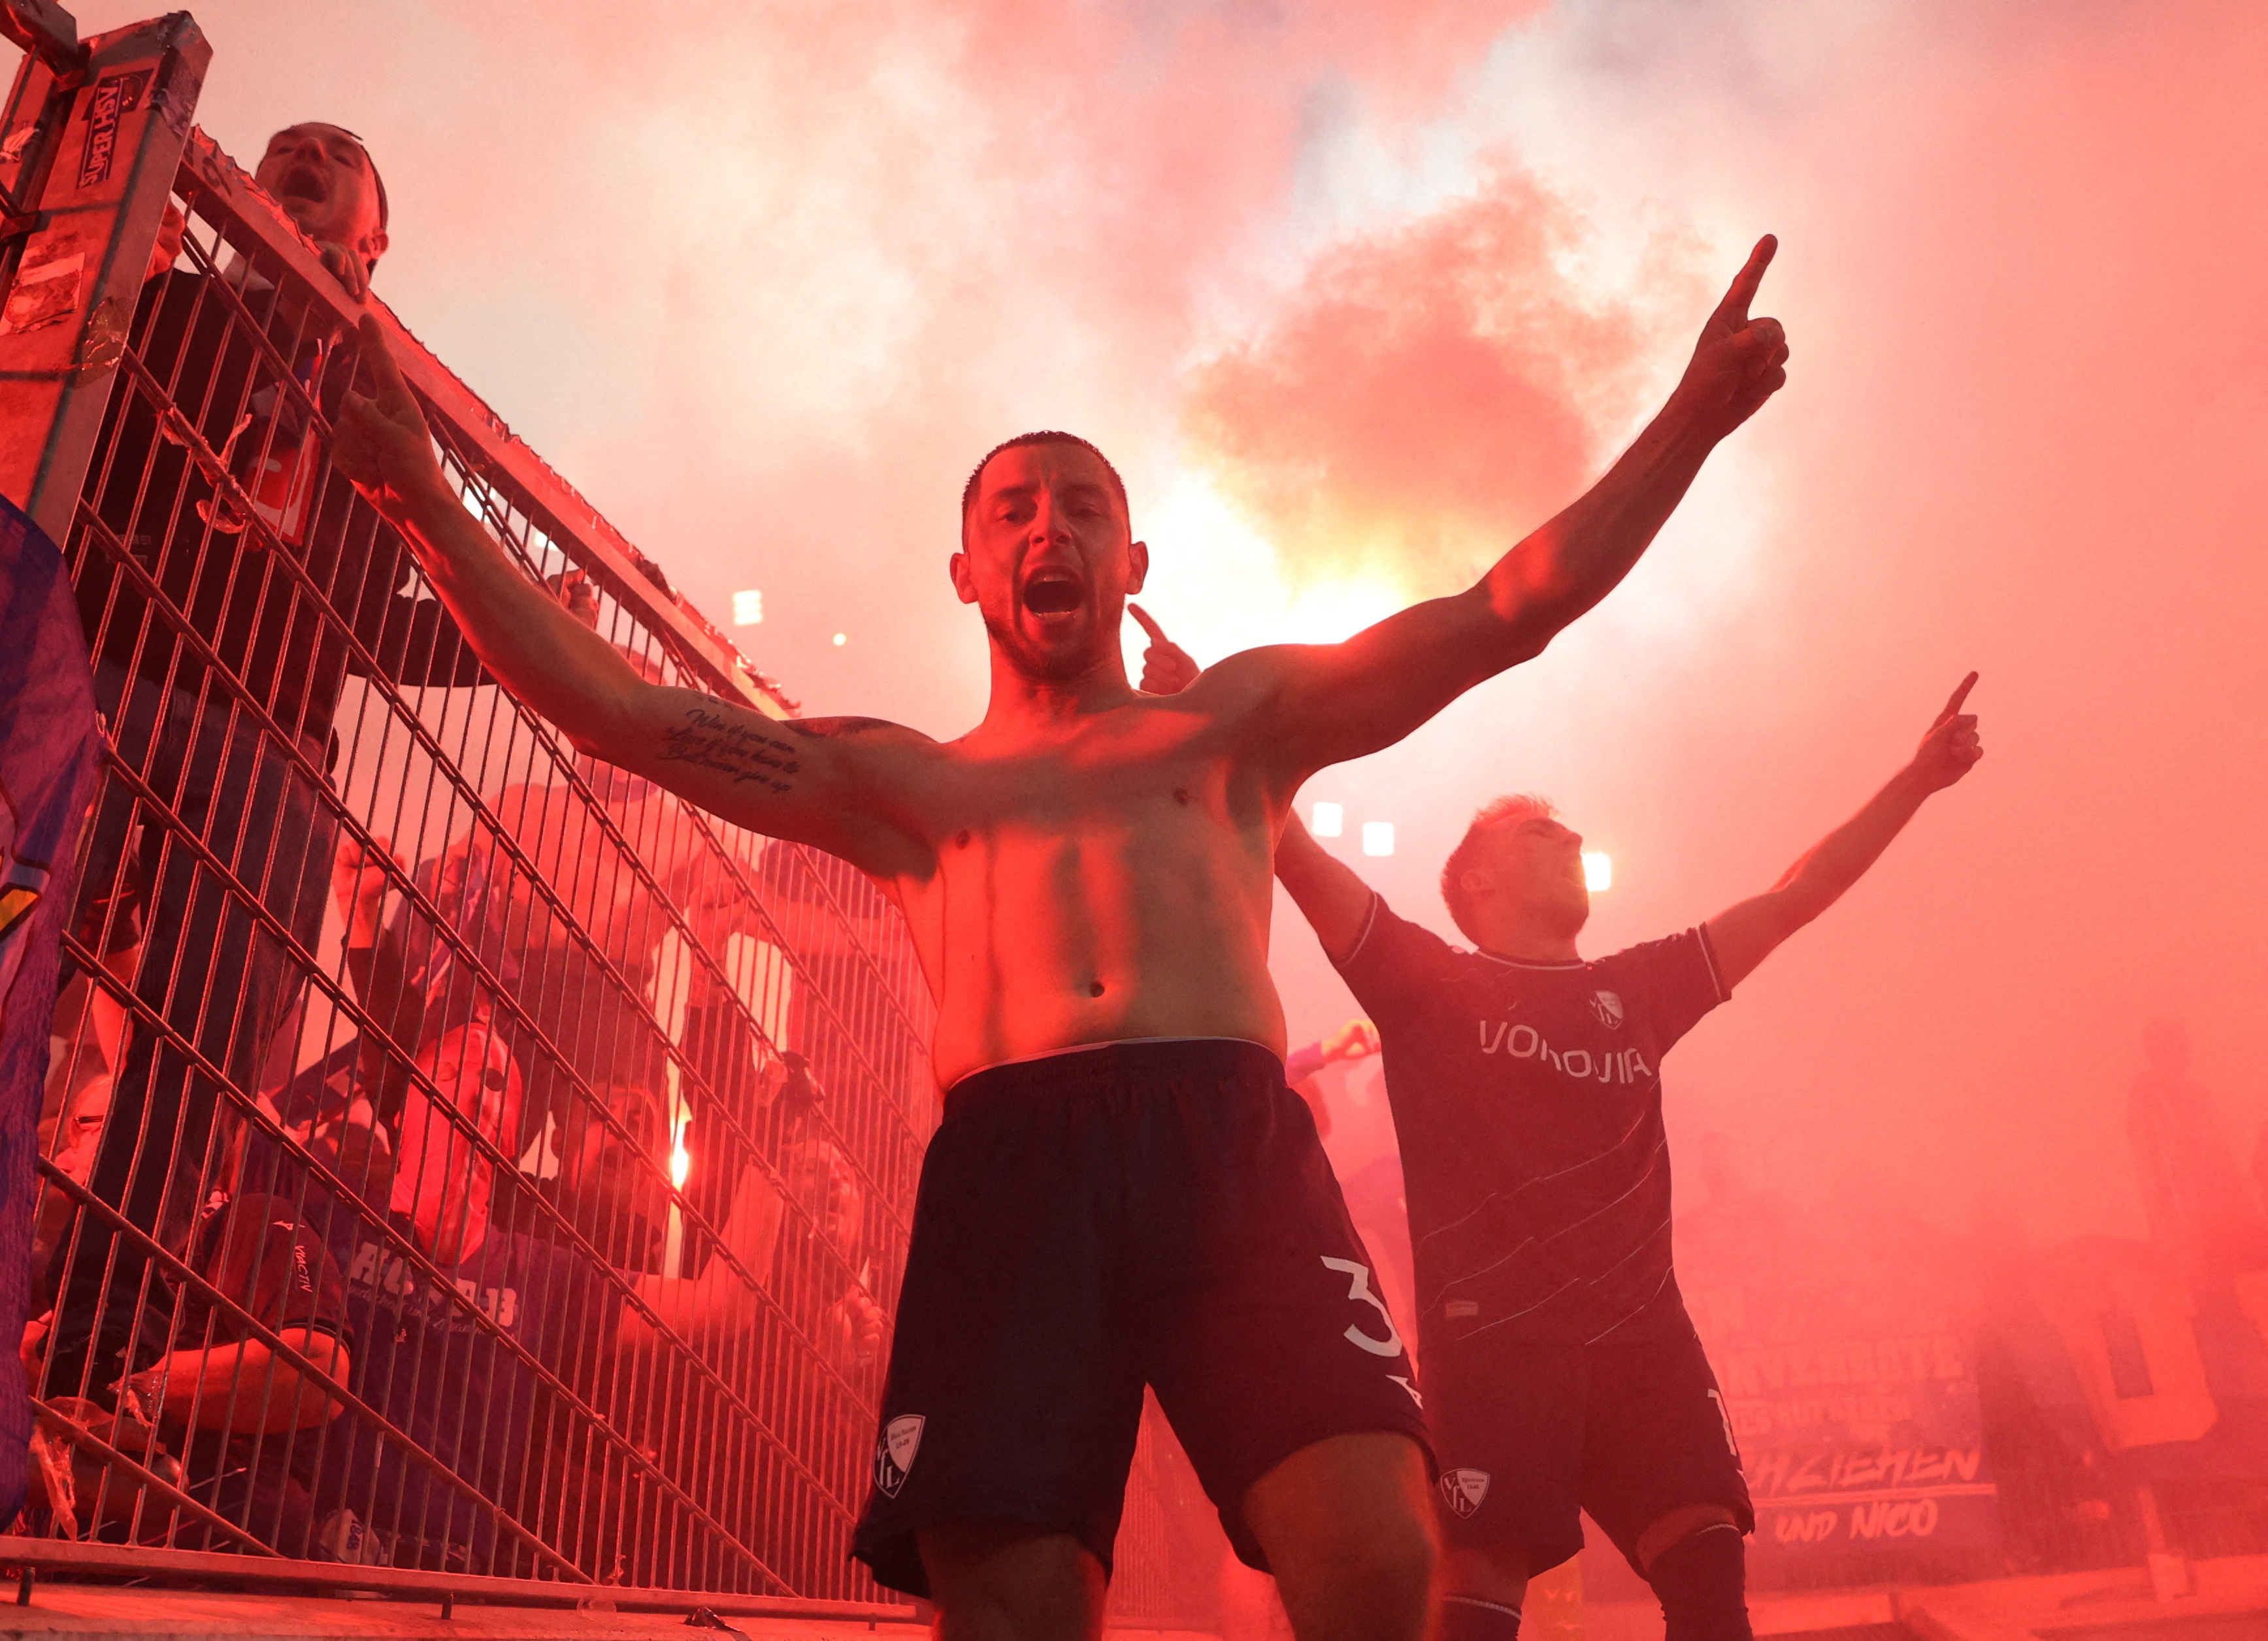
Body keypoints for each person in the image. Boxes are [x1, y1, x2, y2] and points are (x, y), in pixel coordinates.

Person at [331, 233, 1790, 1640]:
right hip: (1016, 1163)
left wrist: (1689, 422)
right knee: (1012, 1610)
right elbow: (625, 714)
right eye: (1015, 510)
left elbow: (1503, 612)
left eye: (1083, 507)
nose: (1050, 528)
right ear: (965, 571)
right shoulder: (909, 783)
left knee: (1376, 1553)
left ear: (1130, 558)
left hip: (1227, 1144)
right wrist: (421, 507)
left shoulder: (1235, 723)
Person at [1258, 678, 1984, 1641]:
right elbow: (1297, 855)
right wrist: (1234, 744)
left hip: (1646, 1341)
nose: (1570, 837)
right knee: (1482, 1586)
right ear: (1477, 884)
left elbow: (1797, 894)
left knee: (1712, 1580)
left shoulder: (1640, 988)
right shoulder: (1429, 984)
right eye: (1538, 831)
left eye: (1568, 829)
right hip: (1498, 1345)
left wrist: (1917, 780)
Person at [51, 123, 482, 1404]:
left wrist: (509, 638)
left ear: (375, 239)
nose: (303, 155)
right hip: (113, 676)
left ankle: (99, 1348)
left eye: (335, 154)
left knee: (201, 1044)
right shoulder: (175, 305)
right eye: (287, 144)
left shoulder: (385, 406)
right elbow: (74, 449)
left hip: (270, 738)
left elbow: (376, 621)